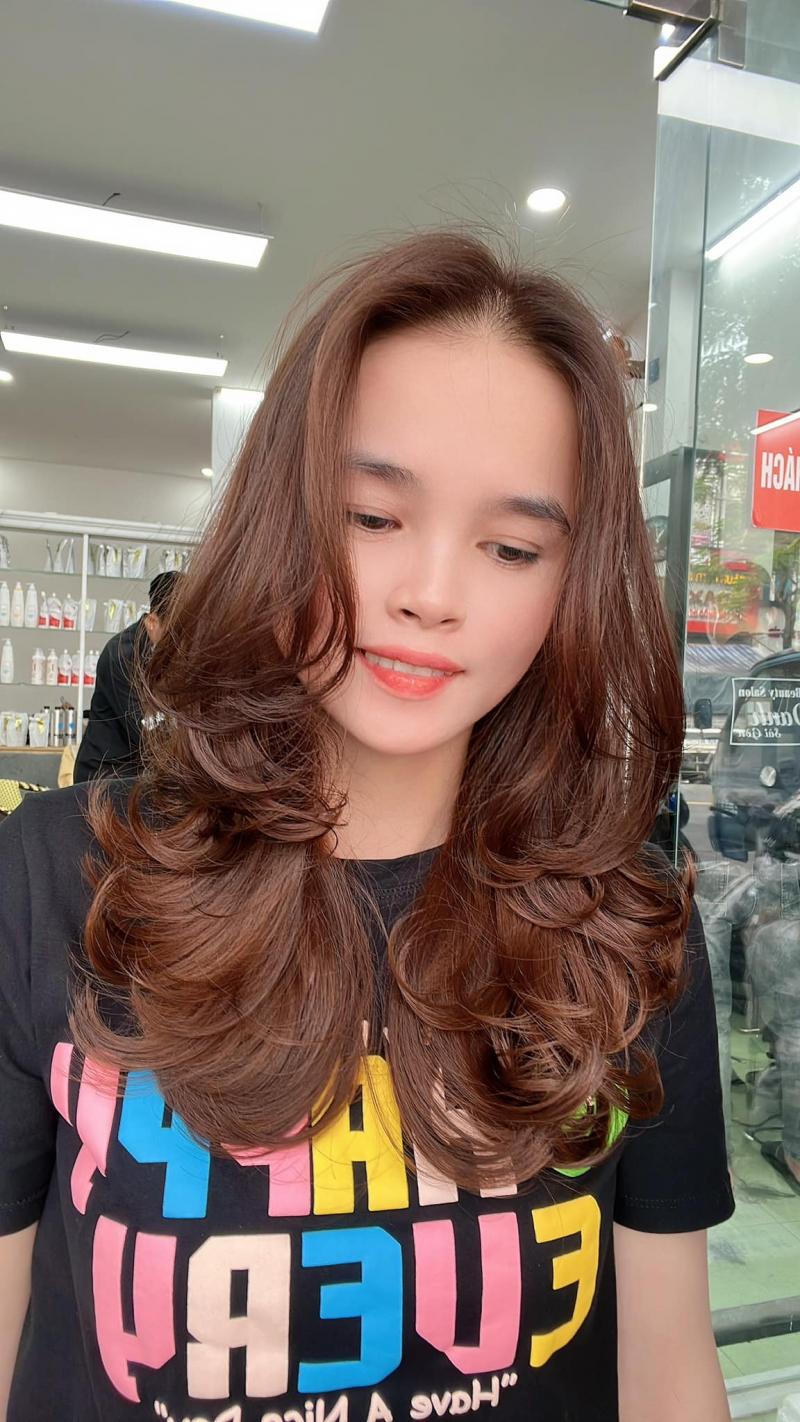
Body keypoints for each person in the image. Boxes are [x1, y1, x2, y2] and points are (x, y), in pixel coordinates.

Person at [0, 231, 734, 1422]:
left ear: (569, 584)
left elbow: (664, 1368)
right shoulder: (53, 884)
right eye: (371, 516)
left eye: (510, 547)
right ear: (283, 520)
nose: (430, 594)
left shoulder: (626, 929)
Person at [72, 571, 182, 782]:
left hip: (138, 773)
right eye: (175, 633)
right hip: (105, 776)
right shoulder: (122, 656)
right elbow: (145, 732)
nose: (182, 642)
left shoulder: (172, 652)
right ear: (152, 622)